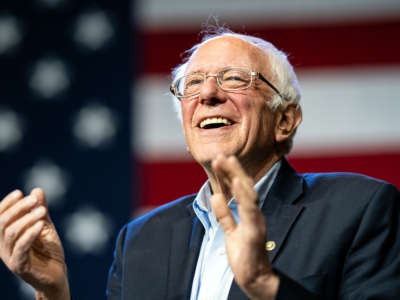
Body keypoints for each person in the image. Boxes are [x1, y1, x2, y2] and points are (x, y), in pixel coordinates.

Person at [1, 27, 400, 300]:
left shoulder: (360, 209)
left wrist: (265, 286)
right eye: (192, 83)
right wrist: (53, 292)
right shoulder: (142, 240)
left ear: (285, 120)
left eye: (235, 78)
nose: (208, 93)